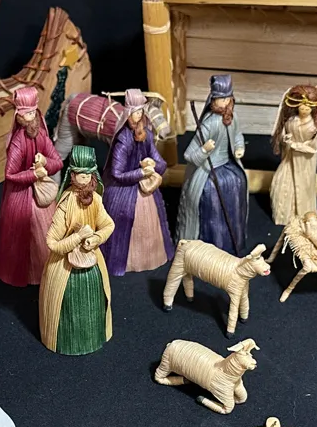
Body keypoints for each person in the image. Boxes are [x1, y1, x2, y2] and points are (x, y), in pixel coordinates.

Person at [40, 146, 114, 355]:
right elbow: (52, 242)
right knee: (66, 309)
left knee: (95, 303)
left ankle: (93, 337)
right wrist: (77, 237)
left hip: (92, 263)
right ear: (72, 175)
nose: (84, 178)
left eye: (88, 174)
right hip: (65, 270)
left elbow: (108, 225)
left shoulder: (96, 200)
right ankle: (65, 340)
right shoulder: (66, 205)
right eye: (80, 174)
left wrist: (95, 239)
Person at [0, 87, 64, 285]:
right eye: (27, 114)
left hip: (43, 194)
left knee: (48, 231)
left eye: (33, 112)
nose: (31, 117)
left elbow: (58, 162)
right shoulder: (18, 142)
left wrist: (45, 162)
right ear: (19, 117)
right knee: (26, 232)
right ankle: (29, 272)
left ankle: (48, 268)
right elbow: (10, 174)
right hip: (21, 197)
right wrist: (34, 174)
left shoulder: (42, 135)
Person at [101, 89, 171, 275]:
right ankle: (125, 259)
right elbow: (117, 173)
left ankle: (151, 255)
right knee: (126, 216)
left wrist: (154, 165)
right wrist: (140, 173)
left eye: (141, 111)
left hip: (145, 185)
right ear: (128, 114)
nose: (138, 115)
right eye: (135, 112)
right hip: (123, 190)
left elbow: (161, 162)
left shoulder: (146, 134)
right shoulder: (123, 141)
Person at [177, 73, 247, 254]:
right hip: (208, 170)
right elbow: (189, 155)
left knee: (238, 181)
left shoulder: (233, 118)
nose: (224, 102)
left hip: (228, 164)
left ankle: (232, 242)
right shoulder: (208, 124)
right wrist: (204, 149)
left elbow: (237, 135)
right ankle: (212, 244)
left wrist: (239, 147)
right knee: (212, 192)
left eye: (227, 99)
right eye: (221, 99)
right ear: (213, 100)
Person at [269, 83, 317, 225]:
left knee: (304, 187)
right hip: (289, 158)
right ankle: (284, 216)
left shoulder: (314, 128)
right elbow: (283, 135)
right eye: (302, 106)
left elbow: (314, 147)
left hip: (305, 161)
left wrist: (296, 145)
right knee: (281, 183)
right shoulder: (291, 121)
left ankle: (303, 216)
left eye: (308, 107)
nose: (304, 109)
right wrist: (286, 139)